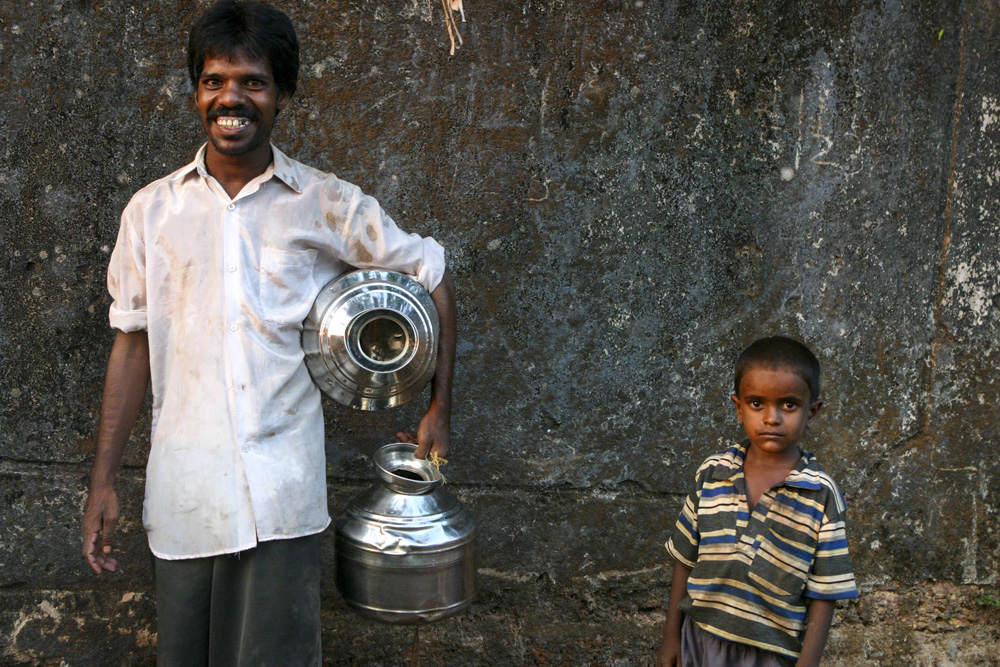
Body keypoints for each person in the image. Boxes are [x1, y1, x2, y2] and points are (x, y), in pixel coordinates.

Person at [79, 1, 456, 664]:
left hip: (281, 493)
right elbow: (131, 346)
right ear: (196, 92)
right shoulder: (151, 212)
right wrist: (102, 479)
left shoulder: (327, 204)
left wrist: (439, 410)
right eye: (214, 80)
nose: (232, 97)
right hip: (186, 488)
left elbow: (433, 276)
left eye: (252, 81)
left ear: (282, 94)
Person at [656, 336, 858, 667]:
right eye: (756, 404)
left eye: (789, 405)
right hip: (700, 640)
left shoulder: (820, 494)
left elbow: (825, 595)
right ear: (739, 408)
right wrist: (670, 636)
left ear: (813, 412)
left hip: (771, 653)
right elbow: (684, 559)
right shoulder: (713, 474)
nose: (771, 418)